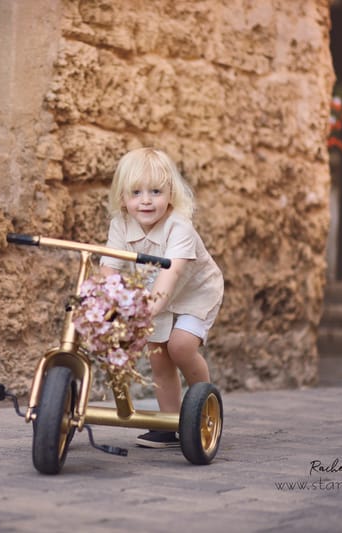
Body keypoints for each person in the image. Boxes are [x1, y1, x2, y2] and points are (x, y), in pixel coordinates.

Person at [99, 147, 224, 448]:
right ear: (122, 198)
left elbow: (170, 278)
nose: (146, 200)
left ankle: (203, 407)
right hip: (154, 296)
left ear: (171, 194)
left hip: (194, 292)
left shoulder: (179, 227)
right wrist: (109, 306)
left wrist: (137, 315)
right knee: (159, 357)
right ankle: (169, 423)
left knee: (180, 347)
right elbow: (109, 269)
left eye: (156, 191)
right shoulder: (120, 225)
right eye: (136, 192)